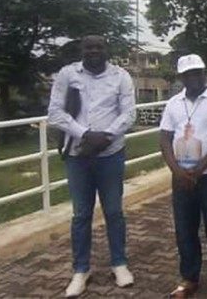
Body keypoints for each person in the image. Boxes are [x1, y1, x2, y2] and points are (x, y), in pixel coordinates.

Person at [48, 35, 136, 298]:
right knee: (81, 215)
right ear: (81, 50)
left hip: (110, 154)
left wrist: (105, 136)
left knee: (113, 211)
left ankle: (119, 264)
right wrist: (86, 134)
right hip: (78, 156)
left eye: (99, 46)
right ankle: (81, 270)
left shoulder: (121, 76)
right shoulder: (67, 74)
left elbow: (129, 114)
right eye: (89, 47)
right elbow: (55, 113)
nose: (94, 50)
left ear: (106, 49)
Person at [159, 54, 207, 299]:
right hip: (181, 177)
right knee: (185, 230)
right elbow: (164, 139)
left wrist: (200, 168)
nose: (194, 77)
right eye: (188, 74)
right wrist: (177, 171)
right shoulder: (173, 103)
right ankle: (188, 278)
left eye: (198, 72)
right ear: (181, 77)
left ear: (204, 72)